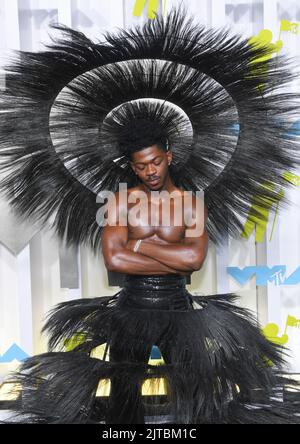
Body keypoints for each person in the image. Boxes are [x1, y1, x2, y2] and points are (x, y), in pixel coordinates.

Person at [1, 6, 300, 424]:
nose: (150, 172)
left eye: (155, 163)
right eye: (141, 166)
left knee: (188, 399)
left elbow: (193, 261)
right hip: (130, 308)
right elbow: (114, 260)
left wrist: (138, 244)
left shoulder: (191, 203)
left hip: (180, 310)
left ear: (169, 156)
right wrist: (159, 247)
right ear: (131, 165)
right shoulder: (120, 201)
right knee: (124, 399)